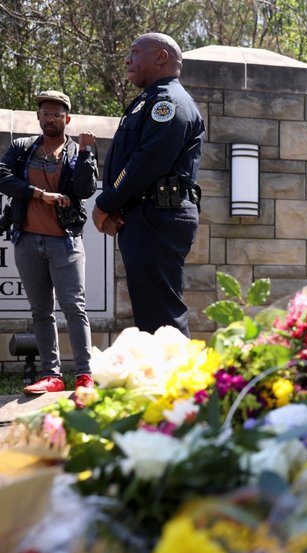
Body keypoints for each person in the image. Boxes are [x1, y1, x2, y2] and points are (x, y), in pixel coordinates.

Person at [93, 32, 204, 337]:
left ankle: (179, 385)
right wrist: (119, 204)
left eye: (135, 51)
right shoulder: (149, 100)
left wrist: (106, 202)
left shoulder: (168, 101)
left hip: (157, 215)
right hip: (146, 214)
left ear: (160, 57)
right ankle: (160, 384)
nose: (128, 59)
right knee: (151, 314)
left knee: (162, 318)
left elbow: (148, 160)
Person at [0, 90, 99, 394]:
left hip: (65, 243)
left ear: (67, 119)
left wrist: (84, 153)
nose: (51, 118)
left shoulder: (75, 151)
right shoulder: (21, 148)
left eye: (57, 114)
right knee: (41, 310)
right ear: (39, 117)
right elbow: (2, 176)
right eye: (46, 113)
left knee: (74, 308)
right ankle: (51, 375)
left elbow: (84, 189)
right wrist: (38, 194)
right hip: (27, 241)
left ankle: (84, 375)